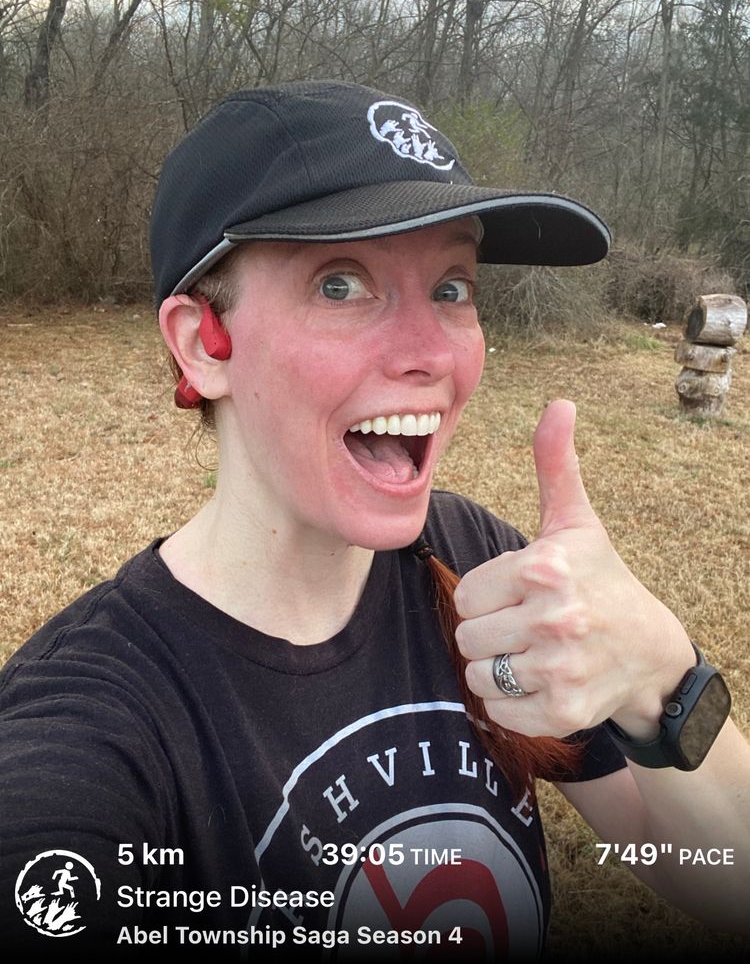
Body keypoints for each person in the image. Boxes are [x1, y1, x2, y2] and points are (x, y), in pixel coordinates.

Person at [1, 80, 749, 959]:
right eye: (342, 283)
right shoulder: (98, 719)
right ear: (204, 343)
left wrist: (661, 676)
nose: (432, 352)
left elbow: (706, 869)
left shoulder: (481, 569)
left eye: (452, 286)